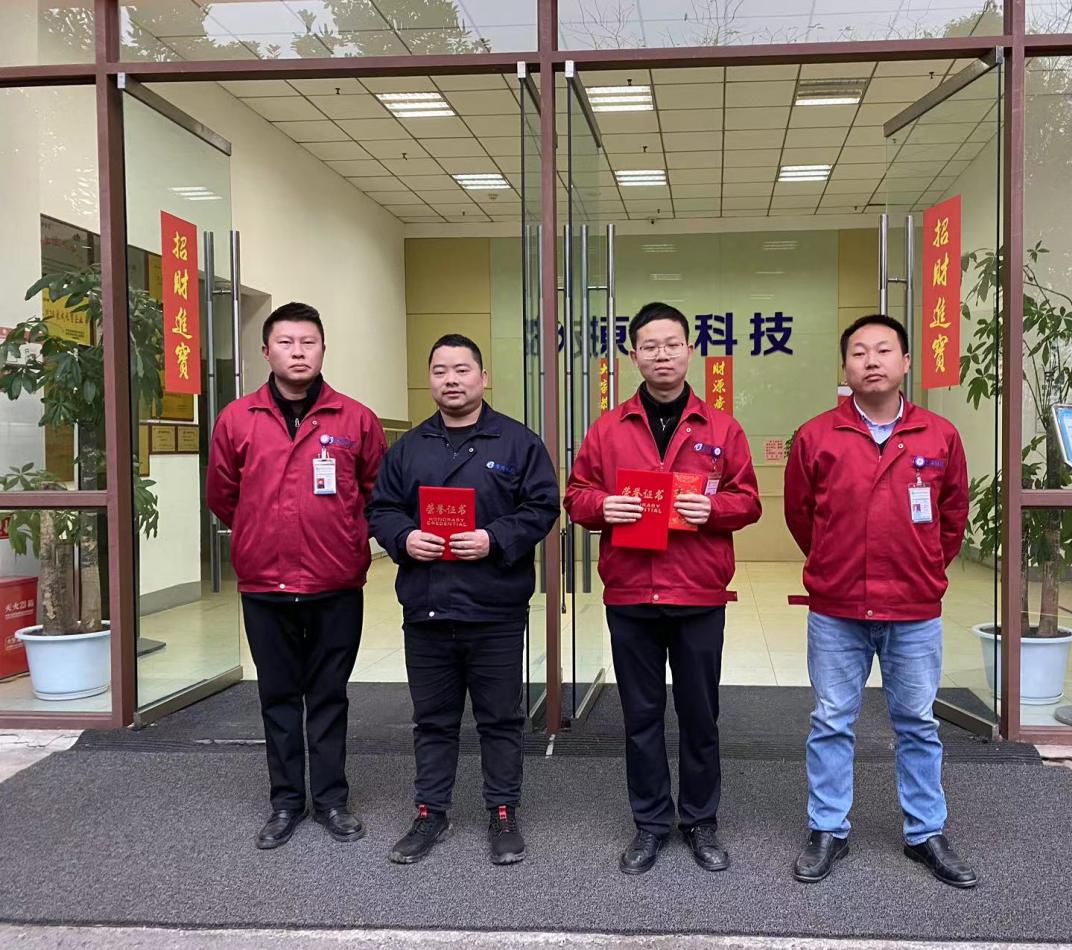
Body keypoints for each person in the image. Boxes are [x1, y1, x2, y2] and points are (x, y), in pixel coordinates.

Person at [564, 302, 761, 876]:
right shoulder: (608, 428)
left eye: (672, 344)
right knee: (641, 716)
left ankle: (700, 821)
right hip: (631, 593)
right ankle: (650, 823)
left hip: (697, 592)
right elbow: (575, 495)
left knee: (700, 715)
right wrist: (604, 505)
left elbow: (749, 501)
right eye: (649, 346)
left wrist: (712, 510)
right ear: (633, 355)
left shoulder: (721, 428)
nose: (662, 355)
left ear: (690, 349)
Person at [783, 313, 975, 888]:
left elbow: (952, 517)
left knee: (917, 722)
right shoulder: (816, 436)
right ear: (844, 367)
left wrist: (922, 567)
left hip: (913, 608)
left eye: (884, 350)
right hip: (837, 607)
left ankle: (925, 832)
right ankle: (828, 829)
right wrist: (834, 562)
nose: (872, 361)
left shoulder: (939, 435)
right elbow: (801, 516)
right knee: (831, 720)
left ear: (906, 362)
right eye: (860, 352)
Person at [367, 333, 559, 867]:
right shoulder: (408, 449)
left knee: (500, 718)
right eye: (440, 371)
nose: (451, 380)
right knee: (433, 719)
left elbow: (543, 507)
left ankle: (503, 811)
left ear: (483, 378)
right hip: (426, 606)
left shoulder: (518, 443)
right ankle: (430, 812)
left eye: (462, 370)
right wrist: (404, 537)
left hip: (495, 608)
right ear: (430, 380)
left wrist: (494, 538)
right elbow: (381, 509)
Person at [207, 301, 387, 850]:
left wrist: (347, 537)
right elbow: (223, 495)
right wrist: (259, 533)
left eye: (308, 342)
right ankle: (285, 802)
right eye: (286, 343)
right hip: (266, 584)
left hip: (336, 582)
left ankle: (331, 799)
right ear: (266, 352)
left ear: (324, 349)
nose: (298, 352)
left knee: (330, 695)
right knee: (278, 696)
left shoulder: (356, 419)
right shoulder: (237, 418)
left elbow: (378, 492)